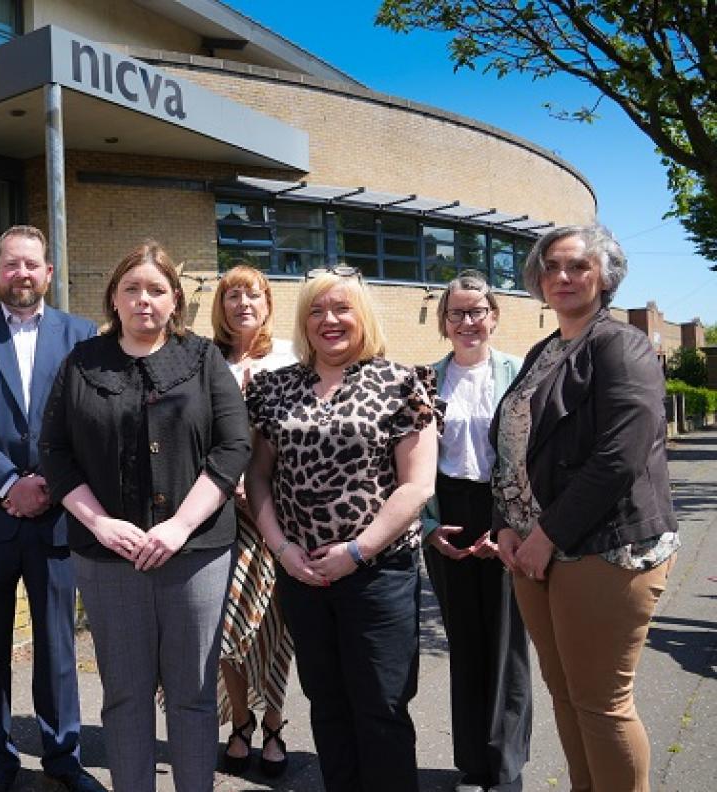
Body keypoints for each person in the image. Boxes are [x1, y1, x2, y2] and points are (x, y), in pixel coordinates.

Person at [40, 241, 251, 792]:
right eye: (131, 288)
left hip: (197, 555)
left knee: (193, 695)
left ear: (175, 300)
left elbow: (233, 447)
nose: (143, 300)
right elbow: (55, 453)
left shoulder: (204, 359)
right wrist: (99, 523)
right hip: (108, 558)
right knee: (126, 696)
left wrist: (180, 525)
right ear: (113, 297)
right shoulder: (82, 364)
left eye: (156, 289)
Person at [491, 225, 679, 792]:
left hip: (605, 549)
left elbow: (621, 454)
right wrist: (503, 523)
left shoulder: (621, 345)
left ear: (605, 276)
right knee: (566, 695)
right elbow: (510, 446)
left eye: (578, 266)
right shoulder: (545, 350)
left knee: (601, 703)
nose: (563, 277)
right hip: (533, 550)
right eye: (552, 267)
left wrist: (546, 534)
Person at [244, 268, 439, 792]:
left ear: (364, 317)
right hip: (301, 575)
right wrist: (282, 550)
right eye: (315, 310)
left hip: (379, 574)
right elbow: (257, 476)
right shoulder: (273, 387)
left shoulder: (403, 382)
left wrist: (357, 550)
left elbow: (416, 486)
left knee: (382, 708)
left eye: (341, 309)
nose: (328, 320)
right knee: (327, 706)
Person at [0, 225, 104, 792]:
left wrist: (51, 487)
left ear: (49, 273)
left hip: (59, 517)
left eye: (32, 264)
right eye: (11, 265)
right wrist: (9, 483)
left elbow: (90, 424)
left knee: (58, 645)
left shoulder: (81, 335)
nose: (22, 274)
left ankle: (63, 758)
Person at [421, 271, 530, 792]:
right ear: (443, 322)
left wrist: (511, 525)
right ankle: (472, 764)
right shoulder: (425, 379)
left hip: (505, 512)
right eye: (457, 313)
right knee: (464, 643)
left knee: (507, 645)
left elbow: (533, 456)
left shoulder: (519, 373)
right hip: (449, 516)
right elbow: (409, 463)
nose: (467, 321)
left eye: (477, 311)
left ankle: (506, 768)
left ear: (494, 316)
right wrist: (428, 526)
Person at [209, 265, 296, 778]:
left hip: (279, 516)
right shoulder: (206, 360)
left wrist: (260, 486)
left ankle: (275, 725)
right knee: (225, 628)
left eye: (254, 294)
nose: (243, 302)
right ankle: (240, 721)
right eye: (232, 295)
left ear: (267, 304)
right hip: (221, 516)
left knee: (273, 628)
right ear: (220, 306)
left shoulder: (289, 356)